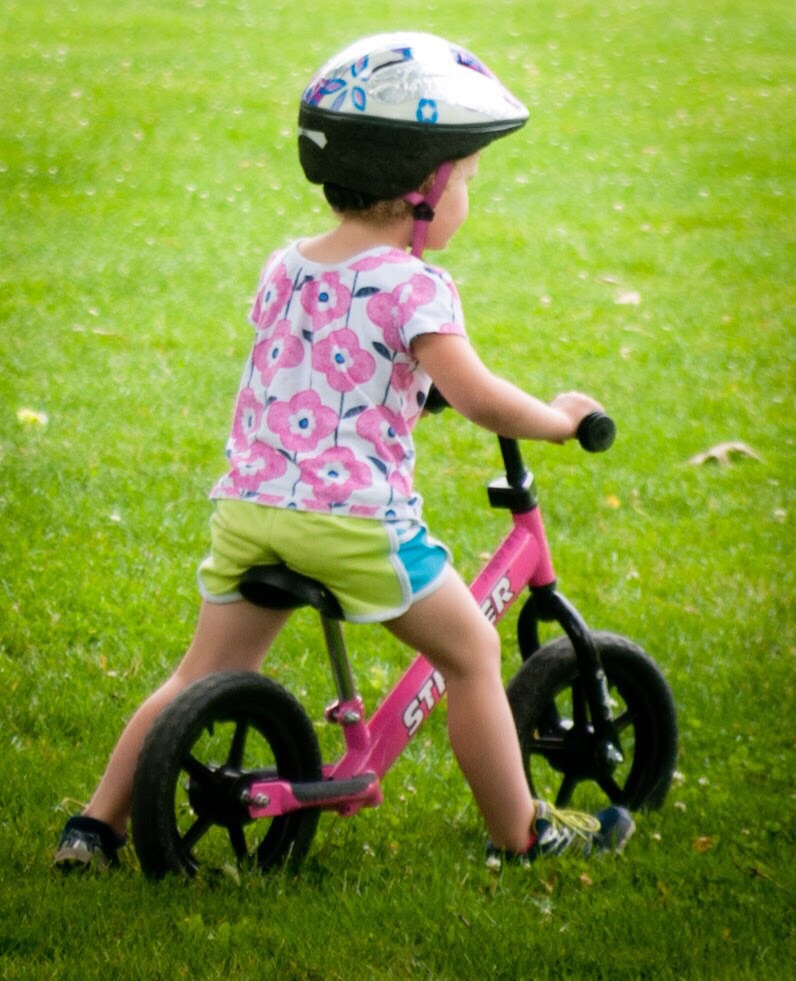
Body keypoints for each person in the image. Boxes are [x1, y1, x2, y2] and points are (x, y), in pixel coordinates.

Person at [55, 32, 634, 872]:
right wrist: (557, 419)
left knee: (196, 675)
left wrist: (408, 391)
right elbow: (477, 394)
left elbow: (321, 362)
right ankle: (523, 832)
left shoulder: (285, 266)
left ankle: (93, 827)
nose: (469, 198)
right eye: (468, 181)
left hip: (252, 511)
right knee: (472, 652)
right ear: (424, 185)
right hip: (353, 525)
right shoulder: (416, 285)